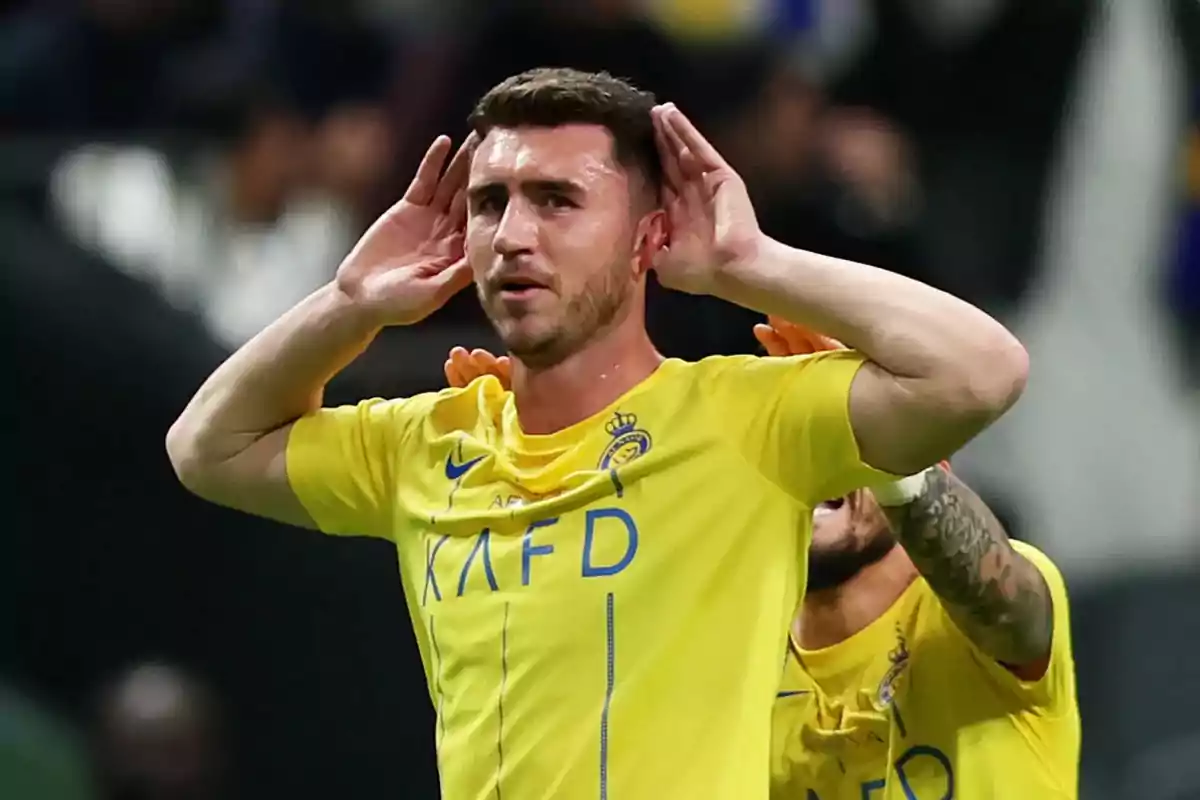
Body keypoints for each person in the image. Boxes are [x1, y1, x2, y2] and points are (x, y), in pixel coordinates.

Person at [166, 68, 1029, 799]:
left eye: (556, 201)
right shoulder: (428, 442)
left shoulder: (749, 419)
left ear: (647, 236)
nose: (512, 236)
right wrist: (349, 308)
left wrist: (754, 266)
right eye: (489, 203)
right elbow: (206, 449)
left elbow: (980, 371)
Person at [446, 317, 1079, 799]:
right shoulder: (732, 655)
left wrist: (887, 448)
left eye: (840, 445)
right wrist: (551, 504)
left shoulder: (978, 613)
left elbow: (1010, 614)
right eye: (798, 448)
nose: (816, 466)